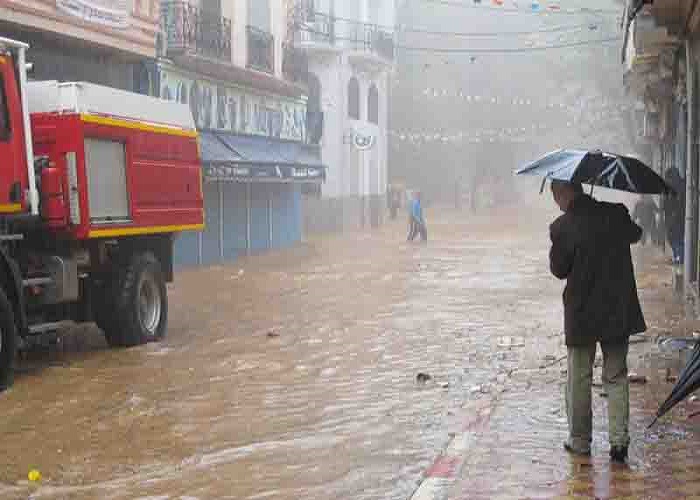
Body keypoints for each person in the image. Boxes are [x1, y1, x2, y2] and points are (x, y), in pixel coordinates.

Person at [548, 180, 646, 463]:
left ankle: (579, 441)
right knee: (615, 375)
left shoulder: (562, 226)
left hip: (582, 314)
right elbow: (636, 234)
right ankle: (618, 443)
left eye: (556, 197)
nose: (557, 203)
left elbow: (558, 270)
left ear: (564, 193)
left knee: (579, 377)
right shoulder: (615, 213)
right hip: (617, 310)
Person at [664, 169, 685, 264]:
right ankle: (678, 257)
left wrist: (674, 215)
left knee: (676, 238)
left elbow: (679, 204)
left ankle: (679, 259)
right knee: (672, 237)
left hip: (677, 218)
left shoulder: (680, 187)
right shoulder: (673, 187)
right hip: (672, 217)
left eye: (668, 178)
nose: (667, 181)